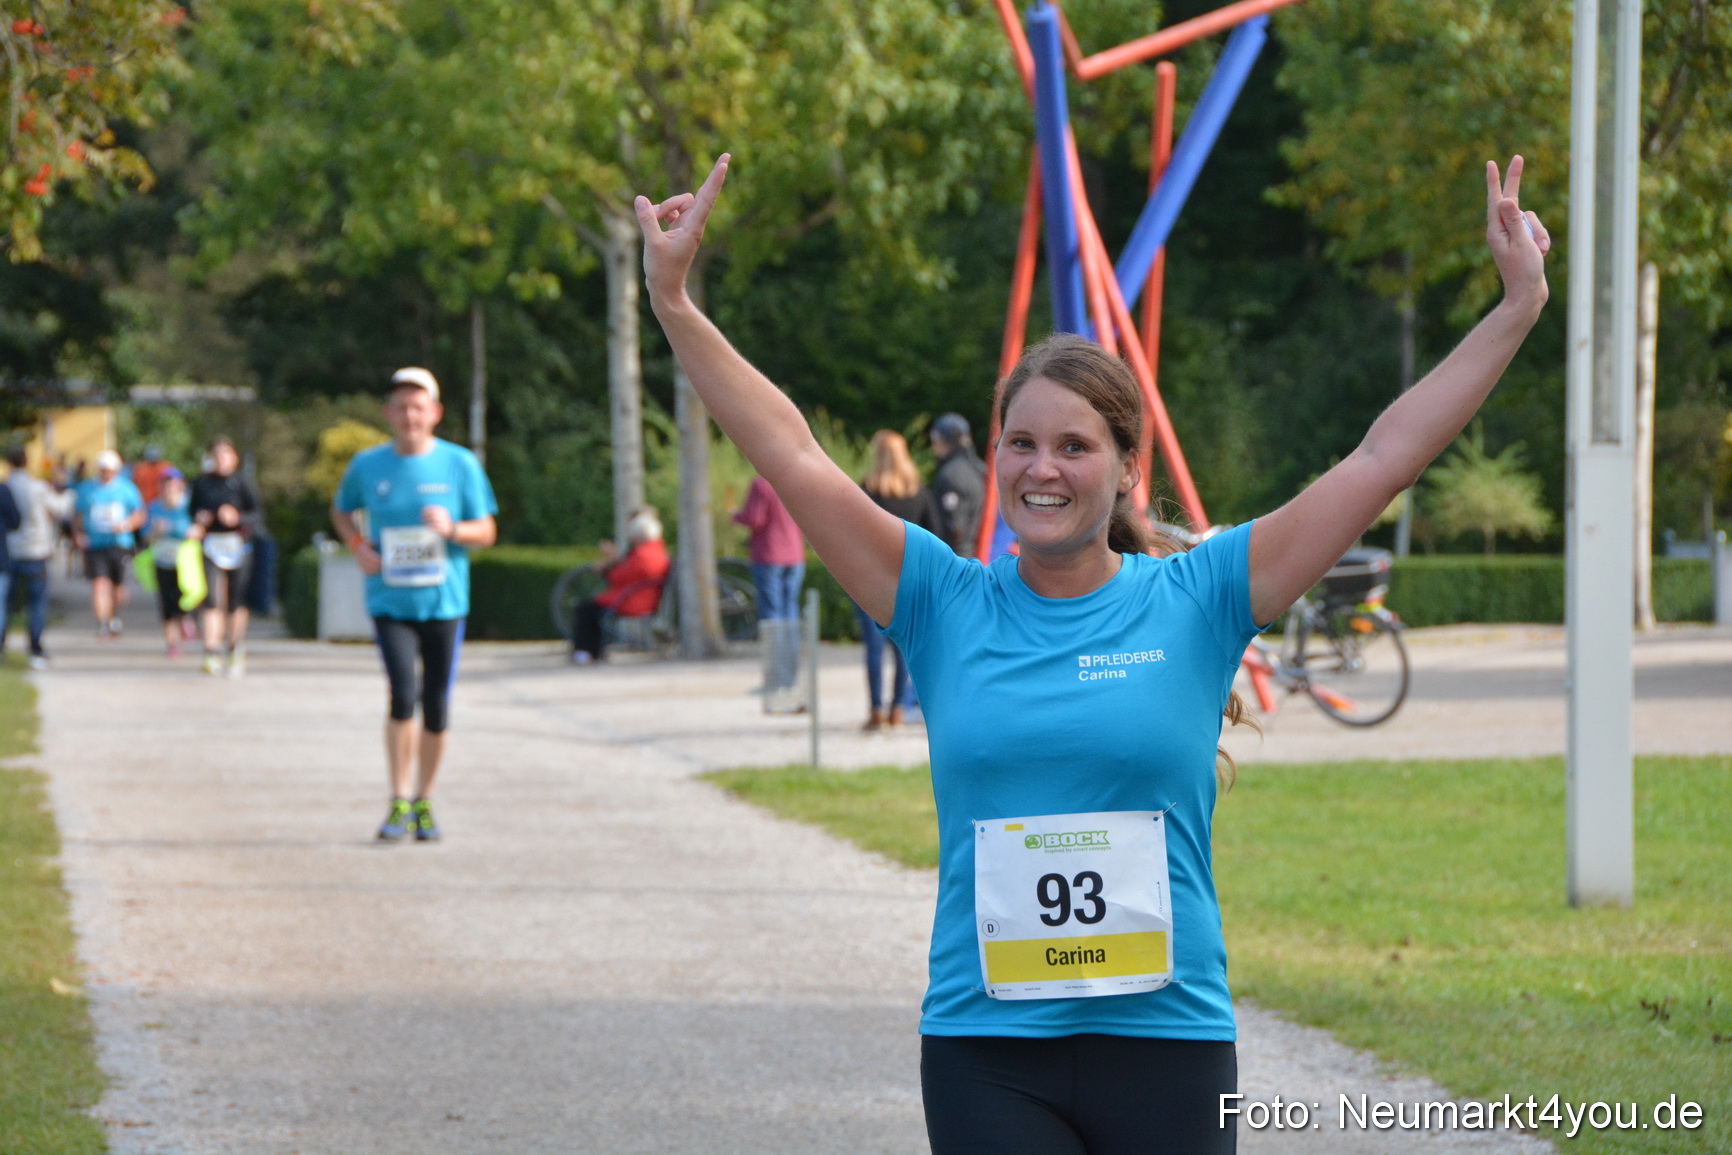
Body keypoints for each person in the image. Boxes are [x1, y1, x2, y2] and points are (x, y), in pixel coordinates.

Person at [634, 153, 1549, 1152]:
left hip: (1167, 1041)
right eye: (1019, 443)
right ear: (994, 458)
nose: (1042, 467)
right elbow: (793, 451)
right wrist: (675, 302)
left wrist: (1514, 308)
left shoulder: (1200, 599)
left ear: (1123, 469)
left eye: (1073, 446)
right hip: (986, 1049)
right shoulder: (937, 601)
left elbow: (1382, 457)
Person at [331, 367, 497, 843]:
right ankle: (398, 798)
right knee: (402, 697)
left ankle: (425, 799)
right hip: (390, 601)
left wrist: (453, 530)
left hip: (444, 602)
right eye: (401, 407)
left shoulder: (460, 464)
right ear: (388, 413)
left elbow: (486, 531)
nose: (409, 416)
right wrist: (357, 545)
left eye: (418, 407)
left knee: (436, 705)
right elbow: (342, 510)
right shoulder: (367, 465)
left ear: (435, 414)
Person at [856, 431, 939, 730]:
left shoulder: (866, 490)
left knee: (874, 648)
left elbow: (854, 538)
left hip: (870, 579)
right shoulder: (918, 492)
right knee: (904, 648)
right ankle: (898, 709)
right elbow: (935, 536)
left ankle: (876, 709)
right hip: (910, 580)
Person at [188, 437, 262, 676]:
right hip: (211, 545)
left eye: (226, 454)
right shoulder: (202, 484)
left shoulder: (242, 484)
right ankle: (211, 651)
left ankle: (235, 647)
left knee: (236, 600)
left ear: (234, 457)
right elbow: (192, 511)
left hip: (238, 546)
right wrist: (200, 520)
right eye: (217, 455)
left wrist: (238, 518)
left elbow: (258, 515)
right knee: (211, 598)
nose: (221, 460)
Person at [732, 472, 805, 703]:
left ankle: (777, 678)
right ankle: (790, 678)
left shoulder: (763, 484)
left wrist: (735, 515)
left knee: (772, 617)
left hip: (769, 556)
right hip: (794, 556)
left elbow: (755, 519)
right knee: (790, 616)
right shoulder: (794, 480)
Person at [570, 506, 671, 665]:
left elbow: (617, 577)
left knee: (585, 609)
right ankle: (592, 652)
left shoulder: (642, 555)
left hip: (632, 601)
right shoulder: (656, 551)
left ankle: (586, 652)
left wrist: (606, 568)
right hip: (640, 599)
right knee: (590, 609)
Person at [3, 445, 74, 669]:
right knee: (36, 603)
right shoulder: (37, 487)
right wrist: (67, 490)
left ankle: (2, 646)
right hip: (35, 550)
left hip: (10, 551)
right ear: (26, 461)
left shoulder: (5, 487)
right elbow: (61, 509)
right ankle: (35, 648)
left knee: (6, 603)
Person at [73, 450, 145, 640]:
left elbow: (140, 514)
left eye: (110, 470)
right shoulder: (87, 489)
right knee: (99, 584)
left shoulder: (127, 489)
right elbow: (77, 515)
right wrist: (78, 534)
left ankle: (114, 615)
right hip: (95, 545)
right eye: (104, 470)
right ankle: (103, 624)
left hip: (119, 544)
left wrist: (126, 525)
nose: (107, 474)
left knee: (118, 588)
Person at [144, 468, 195, 658]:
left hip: (187, 562)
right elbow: (145, 536)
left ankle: (185, 619)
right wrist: (155, 531)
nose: (170, 488)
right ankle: (172, 643)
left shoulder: (189, 505)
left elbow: (198, 529)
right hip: (162, 560)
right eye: (166, 484)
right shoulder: (154, 507)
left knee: (185, 598)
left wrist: (192, 532)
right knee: (166, 602)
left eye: (174, 484)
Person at [930, 412, 986, 558]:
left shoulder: (952, 475)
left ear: (941, 440)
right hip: (982, 555)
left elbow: (954, 527)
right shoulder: (981, 469)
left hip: (958, 560)